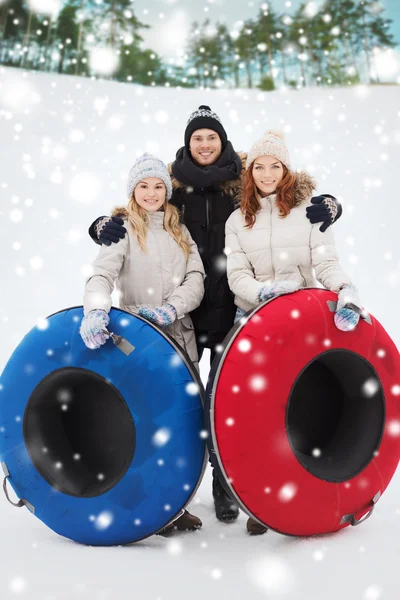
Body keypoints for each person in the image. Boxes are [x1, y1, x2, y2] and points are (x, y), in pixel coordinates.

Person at [87, 106, 343, 524]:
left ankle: (229, 490)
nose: (204, 144)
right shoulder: (172, 186)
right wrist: (102, 225)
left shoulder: (240, 180)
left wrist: (330, 205)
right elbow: (139, 214)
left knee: (234, 407)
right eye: (196, 138)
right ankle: (171, 498)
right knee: (177, 408)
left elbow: (285, 198)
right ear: (186, 144)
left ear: (223, 142)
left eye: (211, 137)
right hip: (180, 315)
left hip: (235, 306)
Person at [225, 130, 362, 534]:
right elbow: (236, 275)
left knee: (297, 406)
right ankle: (256, 499)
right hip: (252, 322)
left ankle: (295, 491)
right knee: (253, 415)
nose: (267, 173)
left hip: (300, 323)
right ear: (250, 172)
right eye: (260, 166)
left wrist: (343, 288)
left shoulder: (310, 212)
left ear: (286, 169)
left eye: (275, 165)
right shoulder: (238, 220)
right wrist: (262, 293)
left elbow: (326, 261)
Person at [80, 153, 205, 534]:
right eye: (143, 186)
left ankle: (177, 504)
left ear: (166, 191)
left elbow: (196, 278)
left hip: (178, 338)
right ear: (133, 190)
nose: (151, 193)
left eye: (157, 186)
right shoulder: (121, 230)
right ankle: (148, 507)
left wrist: (172, 309)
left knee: (183, 425)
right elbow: (102, 275)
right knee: (144, 425)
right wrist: (96, 311)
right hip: (137, 342)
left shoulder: (180, 231)